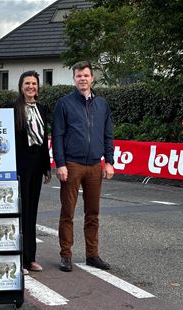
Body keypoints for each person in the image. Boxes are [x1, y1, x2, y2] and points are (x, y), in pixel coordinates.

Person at [52, 61, 114, 272]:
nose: (83, 79)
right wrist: (60, 163)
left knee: (93, 213)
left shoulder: (102, 104)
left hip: (96, 165)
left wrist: (110, 162)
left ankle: (92, 255)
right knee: (68, 212)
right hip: (72, 164)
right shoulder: (64, 103)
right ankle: (66, 255)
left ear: (92, 78)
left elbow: (108, 135)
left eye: (86, 75)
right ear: (74, 79)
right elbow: (57, 135)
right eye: (79, 76)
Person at [9, 71, 51, 274]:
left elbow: (44, 139)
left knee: (32, 211)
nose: (31, 87)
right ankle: (18, 258)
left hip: (37, 163)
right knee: (19, 211)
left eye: (34, 83)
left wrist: (46, 166)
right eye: (27, 83)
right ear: (21, 86)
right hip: (19, 164)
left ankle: (30, 258)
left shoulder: (42, 108)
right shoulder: (13, 108)